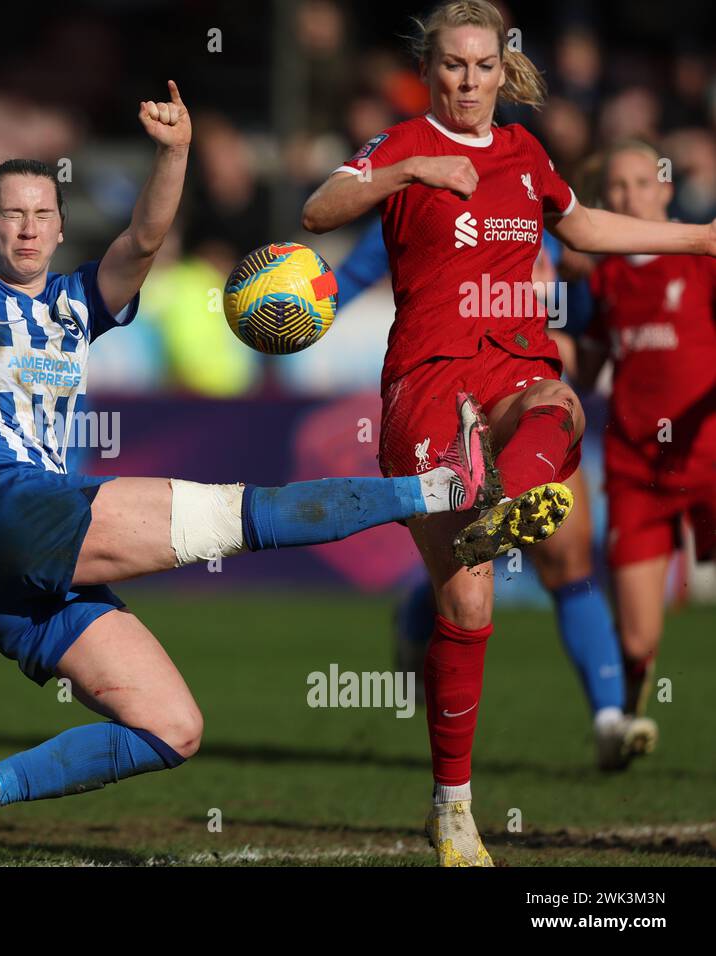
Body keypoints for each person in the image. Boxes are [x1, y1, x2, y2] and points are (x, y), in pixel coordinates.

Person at [0, 79, 555, 867]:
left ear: (61, 223)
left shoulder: (79, 300)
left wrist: (173, 152)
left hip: (21, 565)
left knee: (170, 727)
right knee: (238, 516)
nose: (30, 228)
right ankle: (442, 487)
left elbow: (143, 243)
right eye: (13, 213)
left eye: (44, 214)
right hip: (2, 501)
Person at [301, 0, 716, 865]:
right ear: (431, 68)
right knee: (472, 602)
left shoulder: (526, 154)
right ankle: (452, 808)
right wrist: (404, 173)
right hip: (425, 380)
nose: (468, 80)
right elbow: (319, 208)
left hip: (513, 361)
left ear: (502, 69)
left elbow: (582, 225)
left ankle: (506, 498)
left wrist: (698, 238)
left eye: (483, 65)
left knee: (559, 405)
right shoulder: (402, 139)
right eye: (453, 64)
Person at [335, 219, 653, 771]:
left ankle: (609, 720)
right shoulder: (413, 196)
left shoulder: (540, 208)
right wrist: (294, 313)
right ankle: (416, 622)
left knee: (566, 561)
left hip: (524, 401)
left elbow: (591, 300)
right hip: (446, 404)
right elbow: (351, 276)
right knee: (463, 570)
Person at [576, 139, 716, 733]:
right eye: (616, 187)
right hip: (638, 467)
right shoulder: (600, 275)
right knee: (637, 638)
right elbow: (589, 367)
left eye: (640, 183)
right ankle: (627, 717)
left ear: (664, 188)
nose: (628, 196)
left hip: (709, 455)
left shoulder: (702, 257)